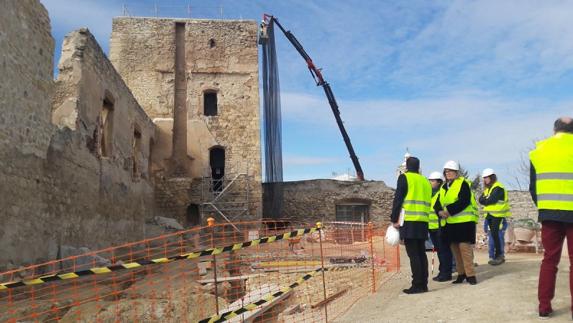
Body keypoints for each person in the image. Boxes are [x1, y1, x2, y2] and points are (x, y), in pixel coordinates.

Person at [530, 117, 573, 318]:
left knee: (549, 260)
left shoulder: (539, 151)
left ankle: (544, 307)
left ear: (554, 129)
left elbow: (533, 188)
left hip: (549, 215)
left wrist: (546, 207)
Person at [390, 157, 432, 294]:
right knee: (421, 253)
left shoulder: (404, 178)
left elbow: (398, 199)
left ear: (407, 167)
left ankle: (417, 285)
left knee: (413, 254)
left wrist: (394, 218)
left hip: (409, 221)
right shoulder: (425, 181)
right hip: (423, 221)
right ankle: (424, 284)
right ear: (418, 167)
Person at [433, 160, 479, 285]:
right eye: (446, 171)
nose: (448, 173)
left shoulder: (463, 184)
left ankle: (471, 275)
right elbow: (437, 203)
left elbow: (464, 201)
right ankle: (461, 274)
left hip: (463, 224)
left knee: (465, 250)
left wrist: (448, 211)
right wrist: (439, 212)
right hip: (450, 224)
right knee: (455, 251)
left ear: (456, 172)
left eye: (450, 171)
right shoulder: (443, 187)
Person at [478, 168, 511, 265]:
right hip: (490, 215)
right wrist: (486, 199)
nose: (485, 180)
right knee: (494, 235)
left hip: (498, 215)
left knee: (497, 236)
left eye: (486, 178)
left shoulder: (498, 188)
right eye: (484, 178)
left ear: (492, 177)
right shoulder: (489, 189)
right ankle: (497, 256)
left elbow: (490, 200)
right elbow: (480, 199)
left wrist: (486, 199)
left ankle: (499, 255)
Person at [428, 171, 453, 281]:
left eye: (432, 181)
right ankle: (442, 271)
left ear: (439, 182)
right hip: (432, 227)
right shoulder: (430, 194)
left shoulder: (442, 193)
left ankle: (446, 273)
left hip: (440, 226)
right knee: (440, 251)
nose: (430, 183)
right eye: (430, 180)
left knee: (444, 251)